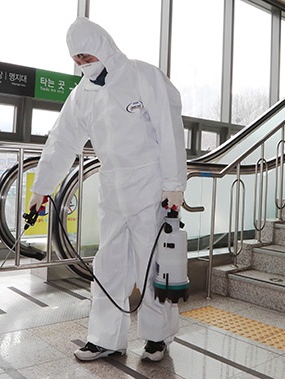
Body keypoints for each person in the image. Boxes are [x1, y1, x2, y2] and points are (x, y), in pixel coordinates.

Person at [27, 17, 187, 362]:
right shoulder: (82, 94)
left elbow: (169, 129)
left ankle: (157, 337)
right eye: (78, 59)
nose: (84, 64)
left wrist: (174, 184)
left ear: (104, 47)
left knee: (154, 263)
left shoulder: (143, 76)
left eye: (88, 55)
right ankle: (105, 338)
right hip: (113, 188)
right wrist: (41, 187)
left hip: (151, 186)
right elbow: (62, 140)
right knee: (108, 265)